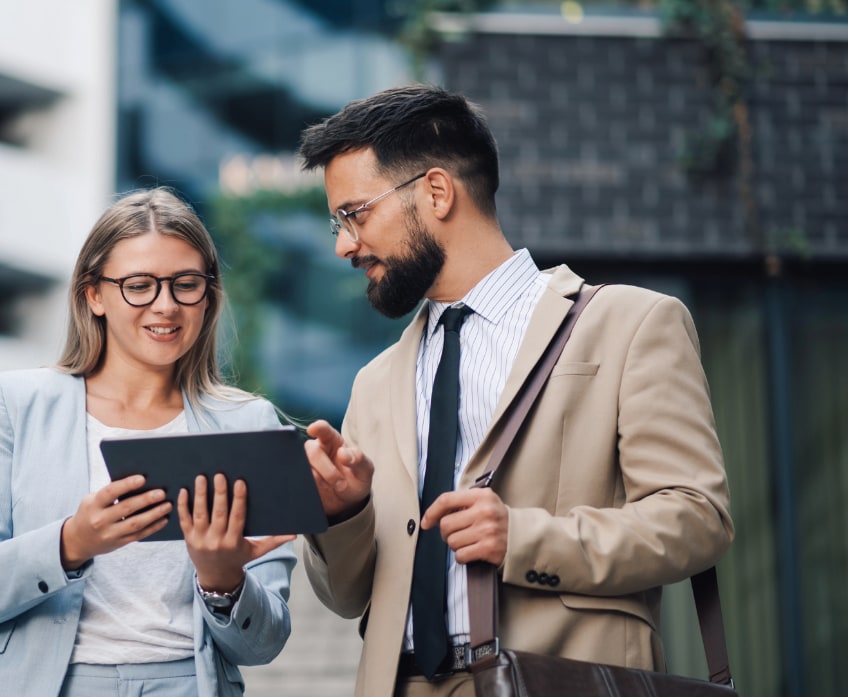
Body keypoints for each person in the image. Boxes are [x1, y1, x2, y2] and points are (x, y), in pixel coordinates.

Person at [296, 84, 734, 697]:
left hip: (561, 677)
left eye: (355, 214)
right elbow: (346, 597)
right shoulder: (374, 383)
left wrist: (525, 538)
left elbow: (698, 518)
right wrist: (342, 514)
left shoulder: (631, 324)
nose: (344, 244)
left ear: (437, 192)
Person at [0, 187, 296, 697]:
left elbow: (264, 645)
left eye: (186, 284)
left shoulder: (249, 423)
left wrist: (221, 580)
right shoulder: (13, 405)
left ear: (208, 295)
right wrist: (70, 543)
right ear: (93, 295)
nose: (166, 306)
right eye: (139, 285)